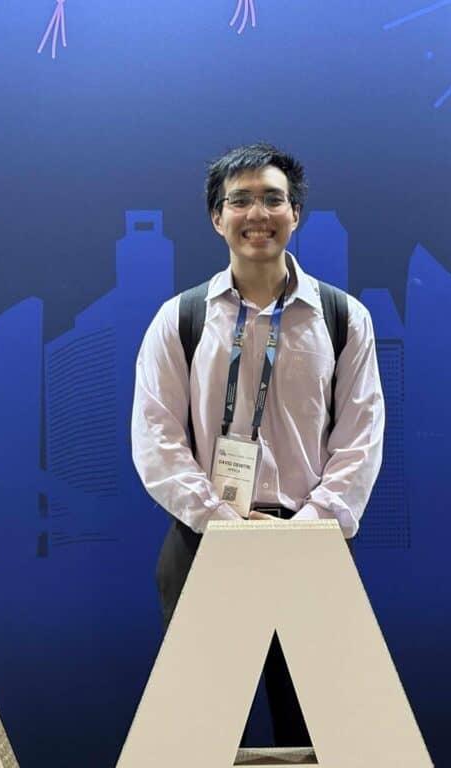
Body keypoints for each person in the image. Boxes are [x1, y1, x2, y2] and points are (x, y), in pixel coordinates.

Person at [131, 143, 384, 746]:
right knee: (201, 738)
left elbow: (360, 437)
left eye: (272, 199)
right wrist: (221, 521)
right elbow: (157, 437)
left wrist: (313, 527)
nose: (257, 214)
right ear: (217, 218)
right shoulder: (181, 318)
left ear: (295, 213)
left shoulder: (343, 318)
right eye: (239, 200)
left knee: (320, 735)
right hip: (203, 543)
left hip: (313, 544)